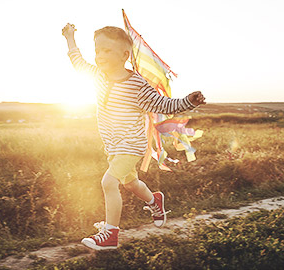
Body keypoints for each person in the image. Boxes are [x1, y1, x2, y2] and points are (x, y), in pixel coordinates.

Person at [62, 23, 206, 250]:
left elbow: (163, 105)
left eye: (107, 51)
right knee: (131, 184)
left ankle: (110, 234)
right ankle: (154, 201)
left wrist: (188, 101)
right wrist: (69, 37)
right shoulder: (97, 75)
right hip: (113, 146)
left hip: (131, 146)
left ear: (124, 55)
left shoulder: (137, 84)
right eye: (98, 50)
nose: (100, 55)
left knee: (109, 182)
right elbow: (77, 61)